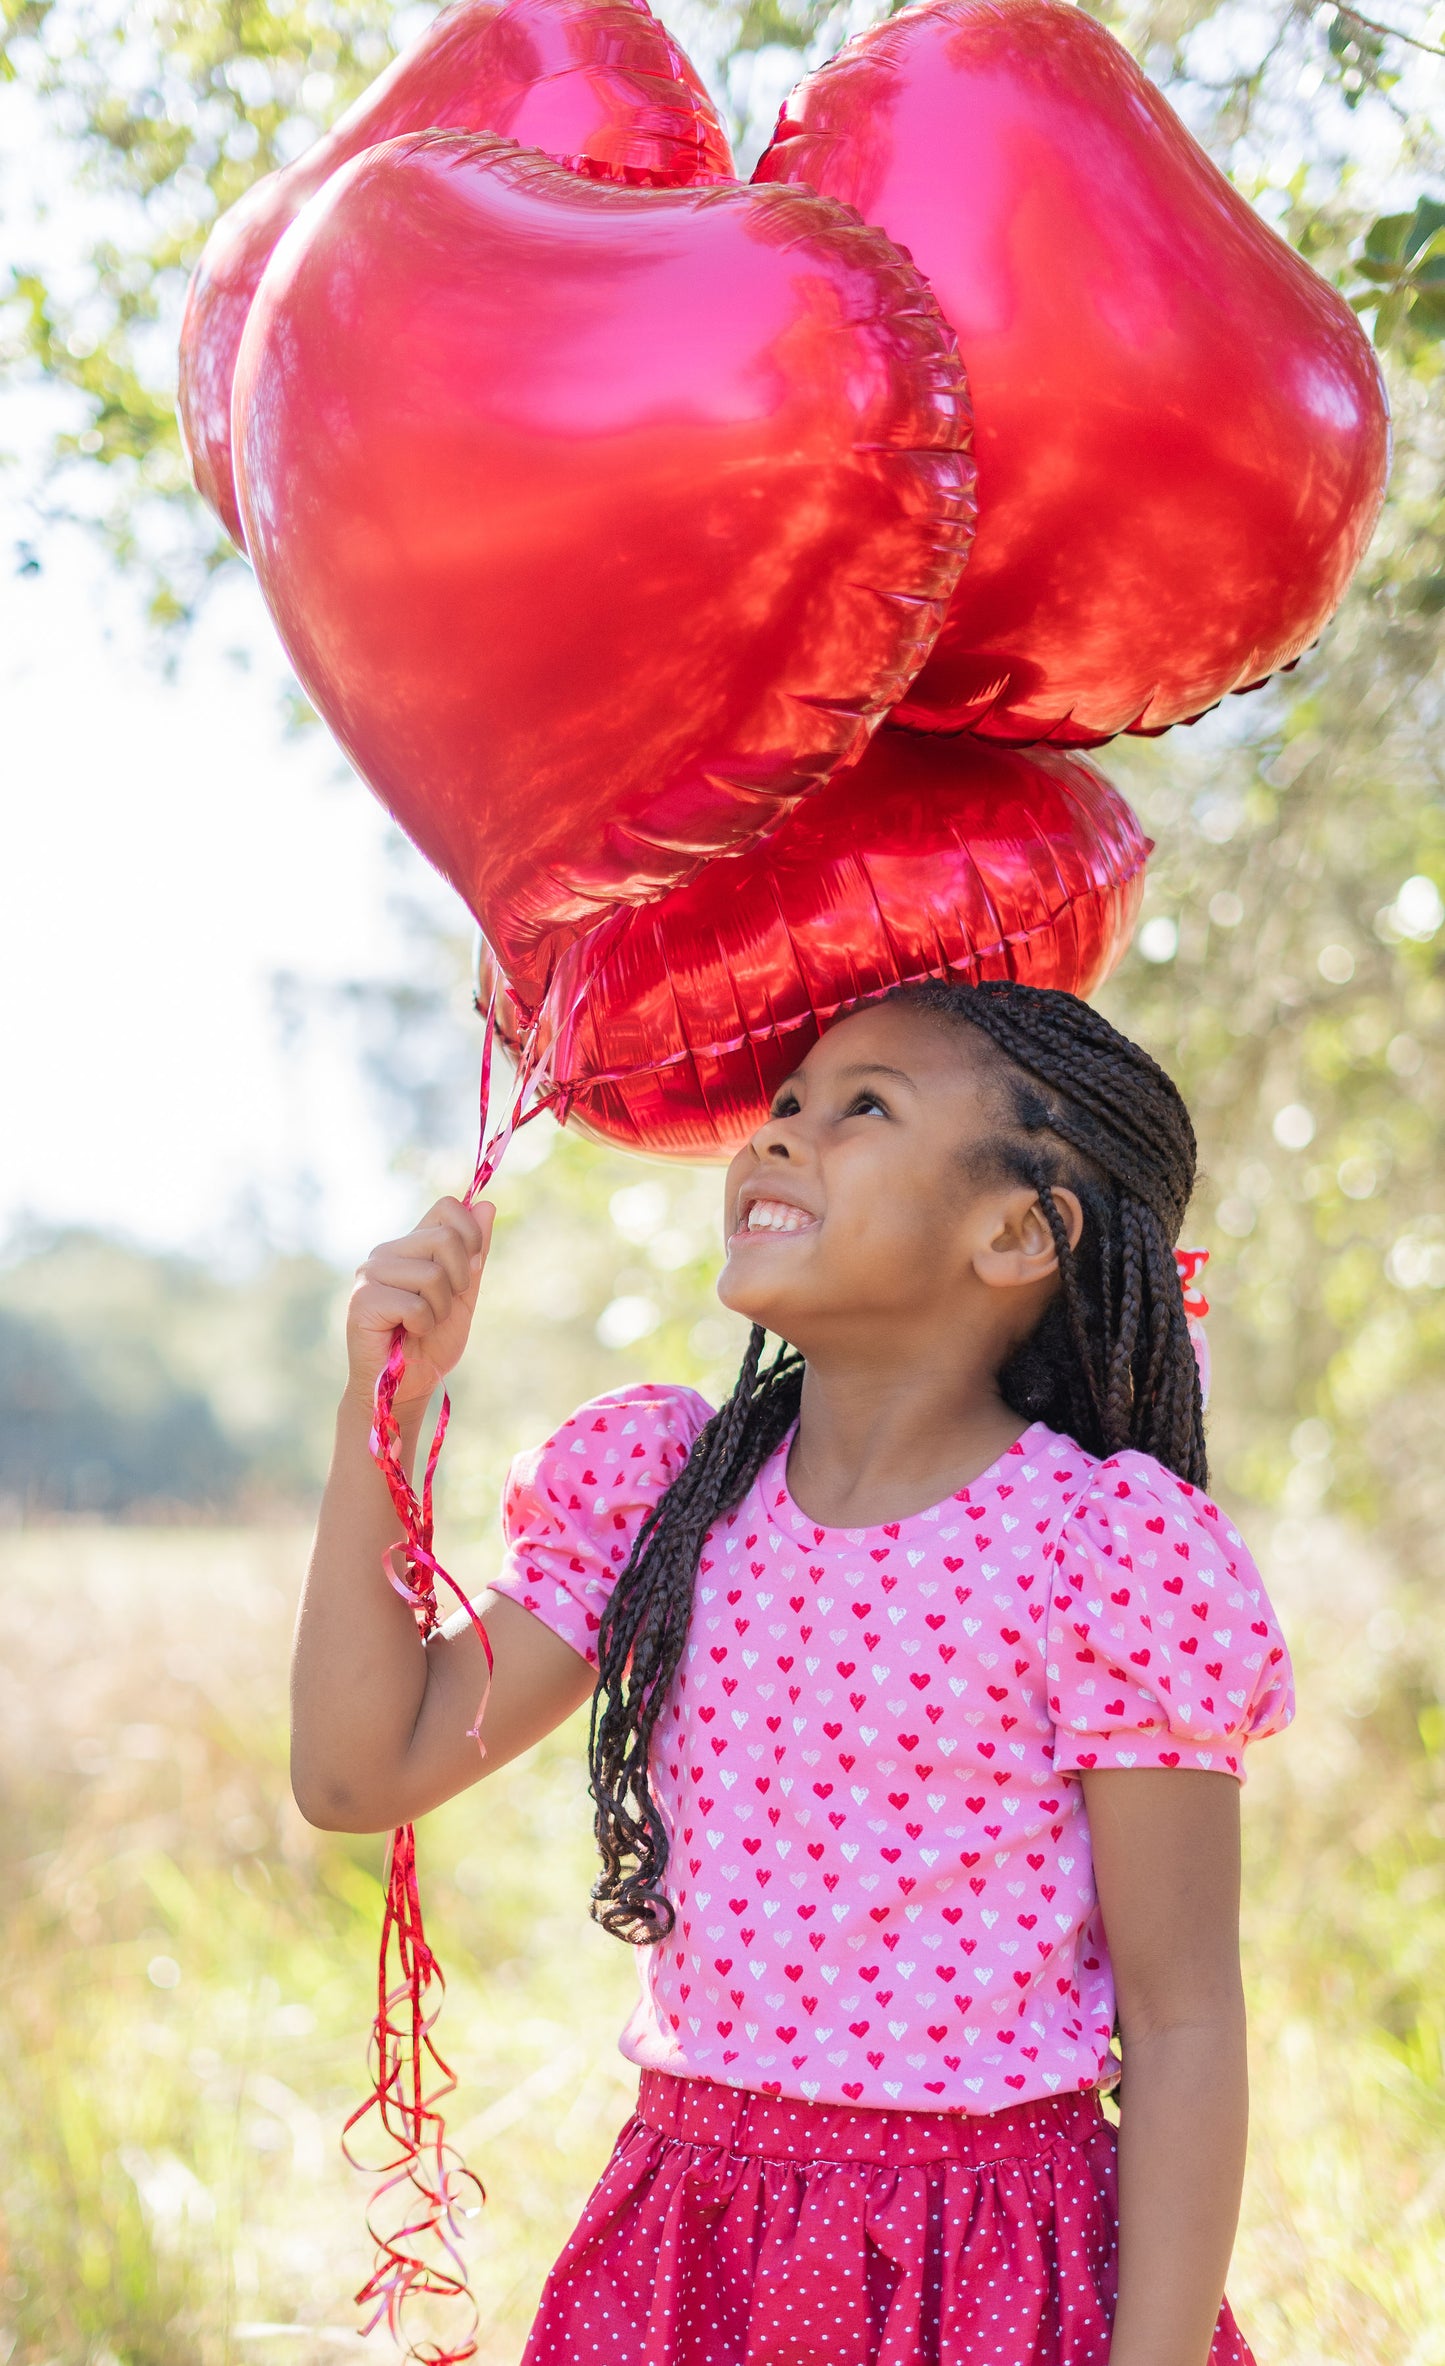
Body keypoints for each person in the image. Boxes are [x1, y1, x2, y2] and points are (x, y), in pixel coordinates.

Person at [291, 979, 1294, 2366]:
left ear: (1016, 1231)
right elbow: (361, 1768)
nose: (775, 1139)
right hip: (692, 2245)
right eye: (782, 1107)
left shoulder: (1100, 1549)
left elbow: (1183, 2016)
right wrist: (377, 1412)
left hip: (988, 2269)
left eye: (859, 1108)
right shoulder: (669, 1497)